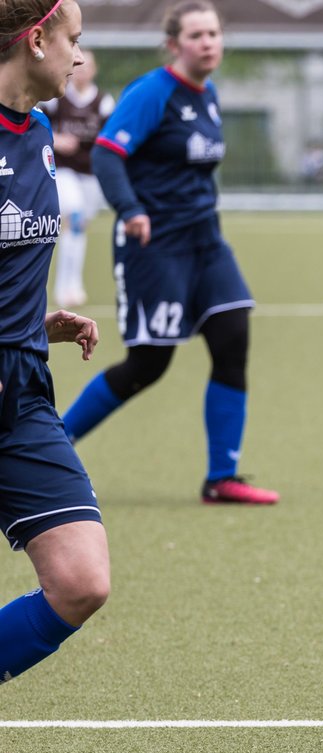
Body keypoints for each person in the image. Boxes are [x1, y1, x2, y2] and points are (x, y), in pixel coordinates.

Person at [60, 1, 278, 505]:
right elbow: (109, 154)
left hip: (206, 243)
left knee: (232, 338)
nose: (208, 42)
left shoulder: (210, 96)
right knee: (148, 365)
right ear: (173, 44)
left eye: (214, 34)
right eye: (196, 34)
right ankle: (52, 447)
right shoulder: (152, 92)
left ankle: (221, 478)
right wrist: (131, 209)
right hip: (154, 246)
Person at [0, 0, 112, 686]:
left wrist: (34, 323)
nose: (78, 56)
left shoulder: (37, 131)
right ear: (35, 39)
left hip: (23, 389)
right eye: (73, 39)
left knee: (81, 580)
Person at [43, 46, 111, 308]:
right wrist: (57, 140)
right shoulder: (56, 99)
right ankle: (63, 287)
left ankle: (74, 284)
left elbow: (110, 136)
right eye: (78, 66)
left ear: (94, 70)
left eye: (87, 67)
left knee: (78, 228)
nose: (82, 71)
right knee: (73, 216)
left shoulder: (103, 101)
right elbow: (36, 125)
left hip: (90, 174)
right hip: (63, 170)